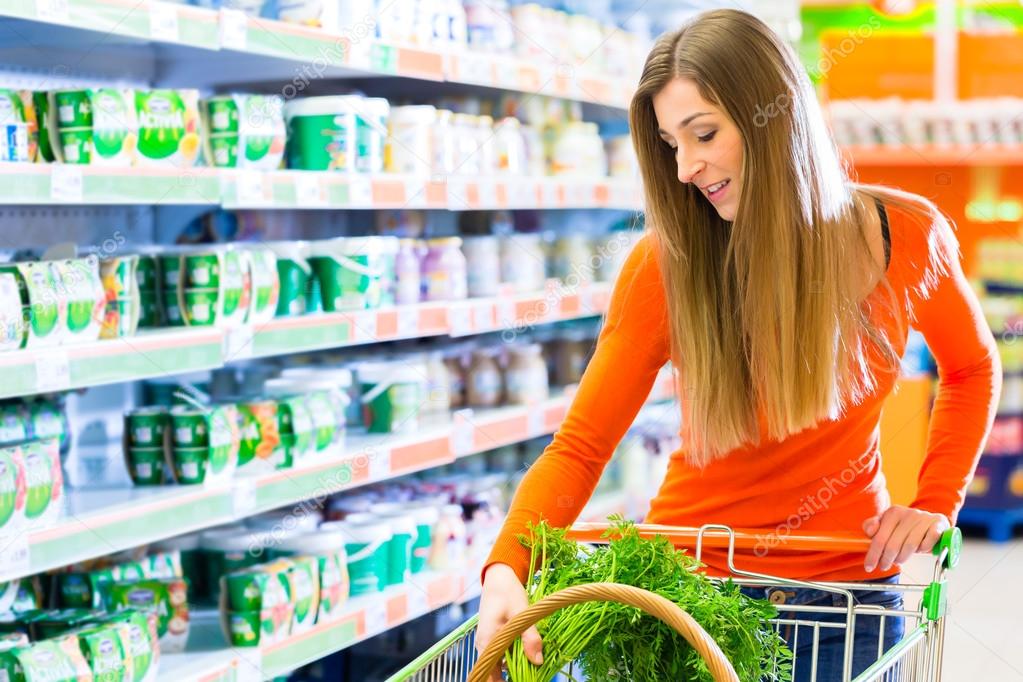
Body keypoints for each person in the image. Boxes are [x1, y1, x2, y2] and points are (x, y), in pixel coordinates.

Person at [475, 8, 1001, 682]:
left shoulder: (905, 235)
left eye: (703, 134)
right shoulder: (666, 265)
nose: (686, 167)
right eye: (670, 144)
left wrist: (935, 499)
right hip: (691, 604)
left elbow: (971, 366)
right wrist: (504, 569)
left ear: (773, 117)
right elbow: (580, 446)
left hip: (850, 603)